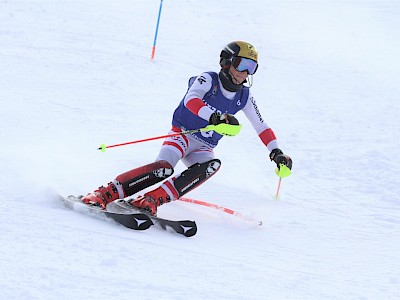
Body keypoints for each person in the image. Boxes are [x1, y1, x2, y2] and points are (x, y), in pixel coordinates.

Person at [82, 41, 292, 216]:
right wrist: (215, 117)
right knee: (163, 168)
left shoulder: (244, 96)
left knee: (211, 165)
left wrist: (276, 152)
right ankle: (104, 194)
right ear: (227, 62)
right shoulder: (209, 79)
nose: (245, 73)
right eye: (242, 64)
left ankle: (150, 200)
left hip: (205, 146)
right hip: (182, 134)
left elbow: (261, 126)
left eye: (252, 68)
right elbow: (192, 100)